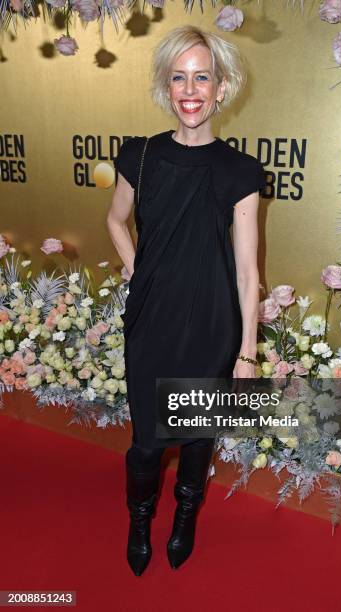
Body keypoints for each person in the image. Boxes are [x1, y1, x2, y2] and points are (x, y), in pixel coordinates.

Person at [106, 24, 266, 576]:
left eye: (202, 77)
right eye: (179, 77)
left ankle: (186, 516)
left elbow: (248, 271)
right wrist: (138, 270)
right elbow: (115, 219)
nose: (190, 89)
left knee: (198, 436)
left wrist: (247, 350)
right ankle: (139, 517)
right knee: (147, 442)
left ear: (221, 88)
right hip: (151, 322)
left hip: (212, 325)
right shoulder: (141, 155)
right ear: (166, 87)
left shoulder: (240, 170)